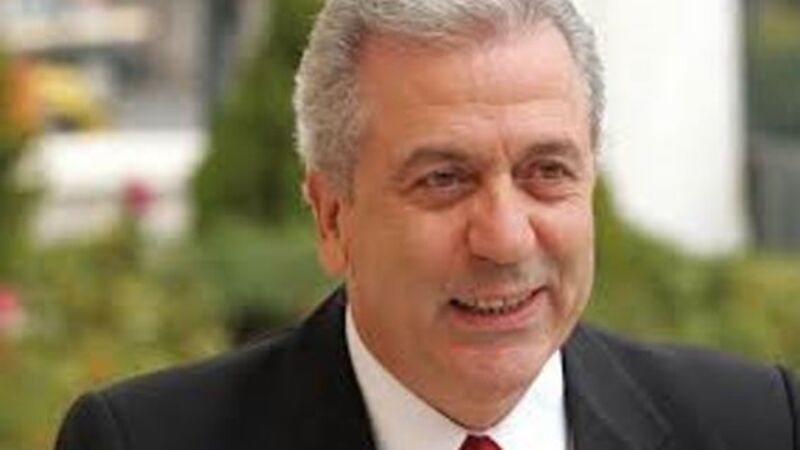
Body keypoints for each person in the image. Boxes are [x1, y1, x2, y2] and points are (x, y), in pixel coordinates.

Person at [54, 0, 799, 449]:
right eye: (444, 179)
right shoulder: (142, 441)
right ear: (332, 217)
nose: (505, 238)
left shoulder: (758, 425)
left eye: (547, 171)